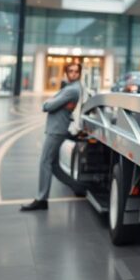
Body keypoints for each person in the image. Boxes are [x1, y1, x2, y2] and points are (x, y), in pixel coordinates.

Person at [21, 62, 83, 211]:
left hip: (57, 130)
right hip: (57, 128)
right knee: (54, 165)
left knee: (45, 162)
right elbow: (53, 104)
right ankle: (79, 187)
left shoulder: (72, 90)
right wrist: (54, 102)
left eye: (76, 71)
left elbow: (48, 106)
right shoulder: (69, 88)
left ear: (80, 73)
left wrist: (49, 102)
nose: (73, 74)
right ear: (66, 72)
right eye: (70, 71)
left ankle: (41, 199)